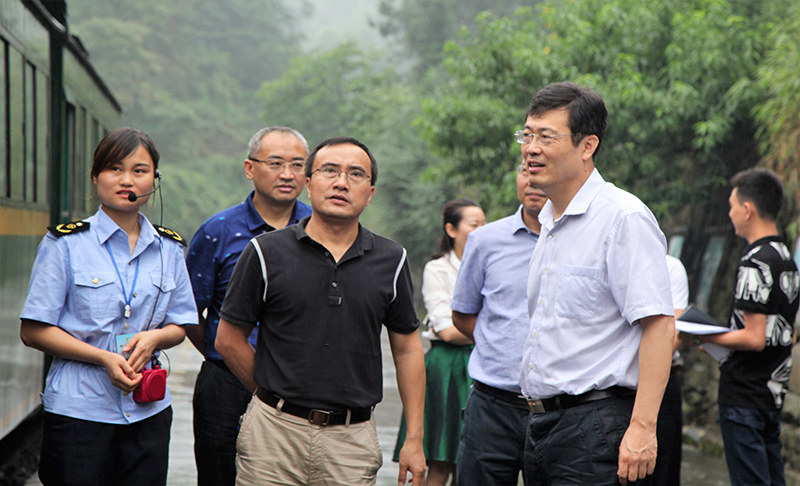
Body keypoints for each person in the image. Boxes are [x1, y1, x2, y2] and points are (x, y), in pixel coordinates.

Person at [215, 136, 427, 486]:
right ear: (309, 185)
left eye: (356, 174)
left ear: (370, 193)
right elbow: (228, 339)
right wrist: (272, 392)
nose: (341, 182)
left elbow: (407, 349)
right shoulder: (265, 252)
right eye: (330, 171)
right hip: (273, 436)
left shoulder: (392, 260)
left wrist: (415, 440)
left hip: (351, 439)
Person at [19, 127, 197, 485]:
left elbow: (181, 325)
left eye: (140, 170)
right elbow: (34, 330)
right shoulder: (64, 244)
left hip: (148, 410)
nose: (127, 180)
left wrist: (155, 338)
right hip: (79, 411)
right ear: (95, 175)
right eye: (115, 168)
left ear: (155, 180)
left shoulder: (170, 249)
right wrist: (103, 357)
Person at [519, 81, 675, 486]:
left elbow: (659, 325)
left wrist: (643, 428)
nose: (531, 148)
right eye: (527, 135)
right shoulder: (549, 222)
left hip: (596, 427)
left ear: (587, 145)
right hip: (541, 426)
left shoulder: (623, 218)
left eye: (546, 137)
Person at [185, 126, 312, 485]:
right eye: (275, 163)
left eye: (297, 165)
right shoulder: (218, 231)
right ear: (249, 168)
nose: (287, 174)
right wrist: (229, 353)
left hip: (300, 385)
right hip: (224, 383)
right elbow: (189, 310)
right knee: (220, 474)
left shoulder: (318, 227)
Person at [691, 168, 798, 486]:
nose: (730, 213)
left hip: (744, 396)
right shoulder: (786, 259)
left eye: (732, 205)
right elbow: (785, 332)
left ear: (747, 209)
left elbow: (753, 337)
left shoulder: (755, 261)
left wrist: (705, 336)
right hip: (771, 394)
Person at [450, 161, 546, 486]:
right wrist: (500, 344)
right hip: (492, 407)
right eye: (525, 171)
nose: (531, 181)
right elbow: (462, 314)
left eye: (540, 171)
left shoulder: (584, 239)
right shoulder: (485, 240)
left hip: (562, 412)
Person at [392, 198, 486, 486]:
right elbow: (446, 331)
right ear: (451, 229)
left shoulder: (490, 264)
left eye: (485, 224)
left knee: (473, 462)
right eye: (474, 224)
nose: (482, 230)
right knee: (440, 460)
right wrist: (495, 331)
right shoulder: (438, 269)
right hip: (446, 367)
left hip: (483, 363)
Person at [644, 255, 689, 486]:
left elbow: (675, 332)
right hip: (611, 387)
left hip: (661, 379)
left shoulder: (670, 267)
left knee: (662, 466)